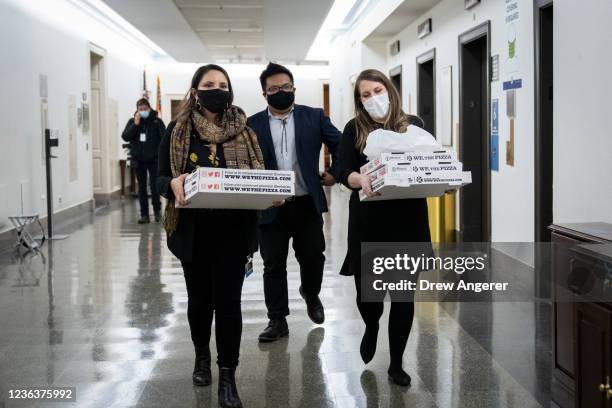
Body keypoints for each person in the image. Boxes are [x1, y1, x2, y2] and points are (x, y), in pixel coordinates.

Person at [157, 64, 264, 408]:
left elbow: (261, 175)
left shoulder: (244, 132)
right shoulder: (177, 130)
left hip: (235, 231)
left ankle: (228, 376)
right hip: (194, 231)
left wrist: (270, 193)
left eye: (222, 84)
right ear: (195, 92)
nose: (216, 89)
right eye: (208, 84)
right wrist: (171, 184)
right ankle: (202, 357)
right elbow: (161, 178)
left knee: (230, 305)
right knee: (200, 302)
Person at [339, 69, 433, 386]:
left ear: (389, 90)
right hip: (369, 224)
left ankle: (396, 364)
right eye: (365, 95)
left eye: (377, 90)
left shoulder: (414, 125)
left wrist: (441, 182)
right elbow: (342, 171)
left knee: (404, 298)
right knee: (370, 298)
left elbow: (429, 164)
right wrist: (359, 179)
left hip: (409, 222)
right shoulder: (354, 129)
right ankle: (371, 324)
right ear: (359, 101)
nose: (373, 98)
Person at [247, 62, 342, 342]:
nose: (281, 92)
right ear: (264, 94)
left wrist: (335, 173)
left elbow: (339, 143)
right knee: (273, 264)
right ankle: (277, 320)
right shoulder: (252, 124)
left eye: (286, 87)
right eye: (274, 89)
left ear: (294, 89)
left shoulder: (314, 116)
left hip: (305, 203)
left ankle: (310, 294)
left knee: (313, 257)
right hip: (270, 205)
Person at [121, 98, 166, 223]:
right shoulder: (133, 121)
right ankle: (144, 215)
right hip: (138, 160)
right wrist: (135, 124)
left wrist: (161, 156)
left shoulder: (157, 121)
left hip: (154, 160)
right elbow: (125, 136)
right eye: (140, 109)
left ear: (149, 108)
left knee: (154, 186)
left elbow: (164, 139)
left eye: (145, 109)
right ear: (137, 110)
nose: (143, 111)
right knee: (141, 188)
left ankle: (157, 212)